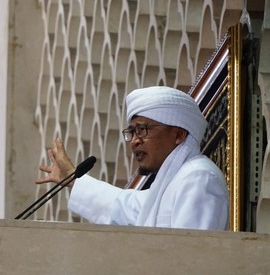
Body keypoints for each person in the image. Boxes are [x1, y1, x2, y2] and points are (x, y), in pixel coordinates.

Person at [37, 86, 229, 230]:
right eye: (132, 132)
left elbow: (193, 258)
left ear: (178, 135)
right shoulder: (169, 186)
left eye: (142, 130)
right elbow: (121, 205)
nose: (134, 141)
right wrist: (73, 178)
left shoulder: (198, 178)